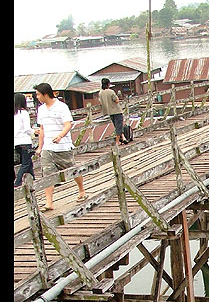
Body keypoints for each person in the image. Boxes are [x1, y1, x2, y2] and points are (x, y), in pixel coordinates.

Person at [34, 82, 87, 212]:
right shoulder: (41, 109)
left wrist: (60, 136)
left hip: (63, 146)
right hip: (48, 147)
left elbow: (68, 124)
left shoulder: (62, 107)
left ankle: (81, 190)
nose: (37, 97)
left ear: (45, 94)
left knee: (72, 170)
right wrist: (40, 147)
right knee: (47, 174)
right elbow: (42, 129)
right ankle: (49, 202)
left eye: (38, 94)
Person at [99, 78, 128, 145]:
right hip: (116, 110)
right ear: (108, 84)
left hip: (109, 112)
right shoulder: (111, 91)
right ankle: (117, 141)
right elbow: (116, 100)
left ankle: (123, 138)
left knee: (117, 126)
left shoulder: (100, 93)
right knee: (119, 126)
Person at [14, 92, 35, 187]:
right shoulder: (23, 113)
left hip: (16, 143)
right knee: (25, 164)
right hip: (25, 142)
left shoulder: (15, 114)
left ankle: (33, 179)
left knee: (28, 161)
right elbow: (27, 128)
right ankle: (17, 183)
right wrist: (34, 132)